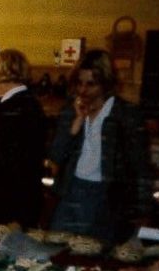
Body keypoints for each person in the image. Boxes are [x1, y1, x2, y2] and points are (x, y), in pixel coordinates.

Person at [47, 49, 150, 245]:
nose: (83, 90)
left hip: (106, 196)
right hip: (70, 190)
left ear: (106, 84)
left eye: (91, 84)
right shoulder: (71, 109)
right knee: (55, 247)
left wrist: (143, 210)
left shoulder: (126, 114)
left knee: (91, 252)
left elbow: (140, 165)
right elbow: (56, 156)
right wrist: (76, 123)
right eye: (79, 83)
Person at [0, 49, 46, 228]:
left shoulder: (11, 109)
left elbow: (3, 162)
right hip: (25, 198)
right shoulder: (31, 103)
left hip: (6, 203)